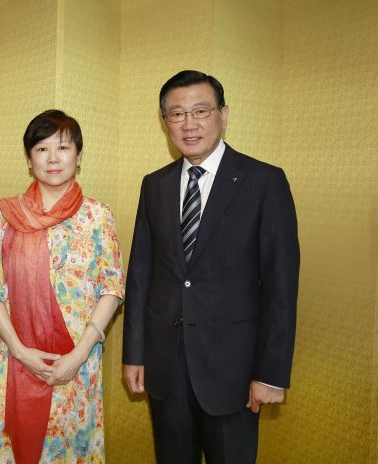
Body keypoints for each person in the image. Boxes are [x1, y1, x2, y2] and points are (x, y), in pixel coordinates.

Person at [122, 70, 299, 463]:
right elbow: (141, 276)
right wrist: (135, 354)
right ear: (164, 120)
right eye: (177, 113)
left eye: (201, 111)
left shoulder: (264, 181)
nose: (189, 123)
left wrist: (270, 373)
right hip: (165, 367)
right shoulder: (155, 184)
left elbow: (280, 285)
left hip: (233, 370)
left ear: (223, 113)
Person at [0, 109, 124, 464]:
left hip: (77, 361)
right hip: (17, 359)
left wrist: (78, 355)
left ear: (79, 155)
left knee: (72, 448)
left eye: (63, 147)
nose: (53, 158)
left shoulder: (97, 216)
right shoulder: (5, 214)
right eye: (41, 149)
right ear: (29, 159)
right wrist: (20, 351)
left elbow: (112, 288)